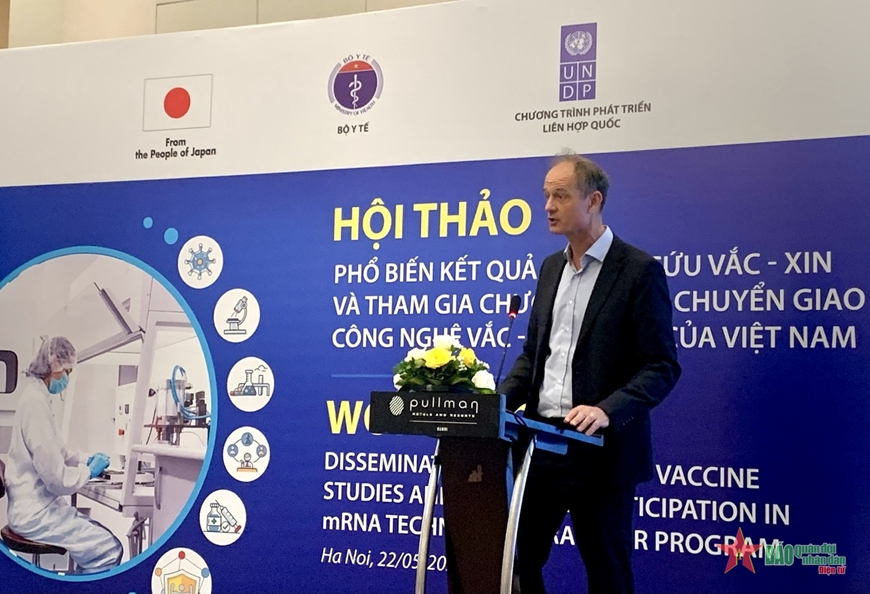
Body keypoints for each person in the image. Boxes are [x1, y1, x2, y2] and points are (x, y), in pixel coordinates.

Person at [500, 154, 681, 594]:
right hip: (539, 447)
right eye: (546, 195)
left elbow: (661, 366)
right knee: (515, 565)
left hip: (601, 453)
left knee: (607, 575)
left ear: (594, 200)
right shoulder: (550, 269)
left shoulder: (638, 271)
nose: (548, 206)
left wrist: (606, 410)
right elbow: (533, 357)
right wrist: (495, 404)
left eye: (561, 195)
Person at [4, 336, 123, 573]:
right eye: (67, 371)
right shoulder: (35, 403)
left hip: (34, 507)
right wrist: (88, 472)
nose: (67, 378)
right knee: (109, 550)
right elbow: (56, 479)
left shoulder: (37, 397)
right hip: (35, 513)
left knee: (95, 538)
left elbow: (58, 450)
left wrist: (86, 459)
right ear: (53, 365)